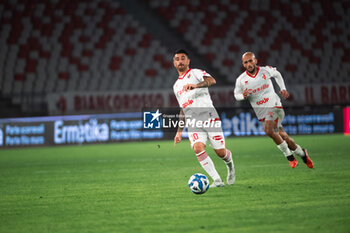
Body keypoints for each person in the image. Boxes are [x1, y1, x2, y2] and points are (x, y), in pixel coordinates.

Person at [234, 52, 313, 168]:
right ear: (243, 64)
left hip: (275, 106)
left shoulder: (265, 70)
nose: (249, 64)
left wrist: (283, 89)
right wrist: (243, 96)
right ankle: (303, 154)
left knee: (268, 130)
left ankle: (289, 156)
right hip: (261, 113)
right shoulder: (241, 80)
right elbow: (236, 95)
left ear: (255, 61)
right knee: (283, 137)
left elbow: (277, 74)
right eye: (246, 62)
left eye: (250, 61)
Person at [172, 49, 235, 187]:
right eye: (177, 59)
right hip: (193, 121)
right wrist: (179, 131)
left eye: (183, 58)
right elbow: (182, 108)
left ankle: (230, 166)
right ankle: (217, 180)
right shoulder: (176, 86)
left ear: (188, 61)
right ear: (174, 63)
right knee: (197, 148)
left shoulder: (196, 73)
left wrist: (196, 85)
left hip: (209, 116)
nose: (180, 61)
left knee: (220, 152)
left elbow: (212, 80)